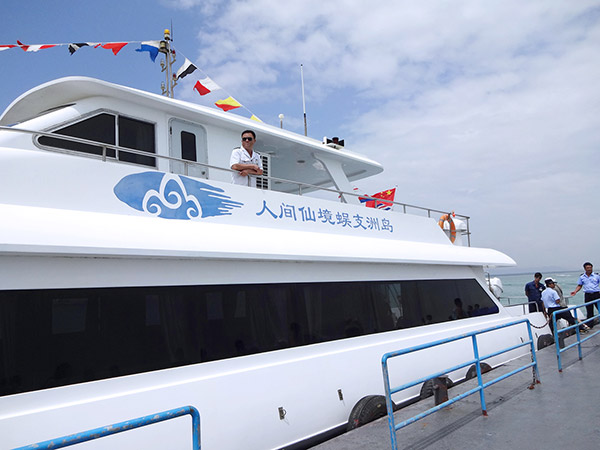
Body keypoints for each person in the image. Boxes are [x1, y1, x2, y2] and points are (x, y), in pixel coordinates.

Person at [570, 262, 600, 329]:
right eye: (587, 268)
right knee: (589, 310)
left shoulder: (596, 276)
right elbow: (580, 285)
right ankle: (590, 325)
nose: (589, 269)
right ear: (585, 269)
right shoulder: (582, 277)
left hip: (596, 294)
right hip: (588, 295)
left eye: (590, 267)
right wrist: (575, 291)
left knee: (599, 308)